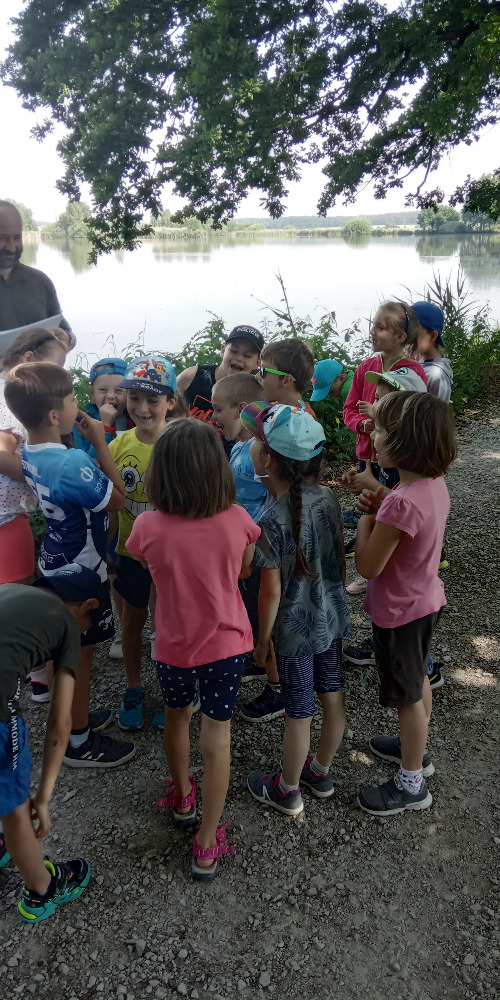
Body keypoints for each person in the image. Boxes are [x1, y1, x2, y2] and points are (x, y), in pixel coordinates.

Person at [126, 418, 260, 880]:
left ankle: (183, 795)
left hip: (173, 649)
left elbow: (144, 560)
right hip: (227, 648)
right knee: (217, 737)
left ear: (160, 473)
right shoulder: (238, 519)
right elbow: (245, 570)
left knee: (177, 716)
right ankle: (206, 842)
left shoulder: (147, 526)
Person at [4, 362, 136, 767]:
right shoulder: (70, 462)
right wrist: (99, 441)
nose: (77, 404)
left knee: (66, 650)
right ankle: (78, 741)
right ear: (53, 415)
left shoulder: (30, 451)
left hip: (56, 558)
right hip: (82, 569)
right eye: (70, 398)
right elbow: (118, 499)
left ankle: (76, 718)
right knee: (78, 657)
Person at [240, 402, 351, 817]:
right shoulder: (330, 499)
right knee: (333, 696)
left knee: (299, 711)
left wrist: (262, 642)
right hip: (331, 618)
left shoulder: (270, 520)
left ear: (269, 461)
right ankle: (320, 772)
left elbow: (269, 594)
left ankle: (287, 789)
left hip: (294, 631)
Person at [354, 391, 456, 816]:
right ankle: (416, 748)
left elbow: (368, 565)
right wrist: (384, 505)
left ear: (404, 443)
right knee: (418, 683)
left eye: (380, 430)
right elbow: (408, 525)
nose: (372, 436)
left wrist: (366, 518)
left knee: (408, 697)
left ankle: (412, 783)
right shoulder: (431, 485)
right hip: (425, 601)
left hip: (398, 614)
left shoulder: (400, 501)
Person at [0, 564, 104, 922]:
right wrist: (43, 798)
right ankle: (42, 890)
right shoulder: (67, 625)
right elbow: (60, 726)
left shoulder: (18, 592)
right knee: (15, 805)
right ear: (88, 606)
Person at [108, 355, 182, 731]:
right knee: (132, 622)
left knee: (171, 624)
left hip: (172, 558)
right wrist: (106, 548)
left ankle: (175, 692)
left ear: (171, 401)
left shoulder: (181, 445)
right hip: (128, 551)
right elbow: (108, 502)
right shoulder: (118, 444)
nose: (142, 408)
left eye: (153, 399)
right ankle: (134, 687)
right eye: (134, 398)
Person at [212, 372, 272, 687]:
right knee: (246, 598)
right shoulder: (238, 447)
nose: (213, 416)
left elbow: (276, 493)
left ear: (240, 409)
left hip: (259, 542)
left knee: (257, 600)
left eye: (218, 409)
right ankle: (253, 651)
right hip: (241, 540)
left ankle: (264, 661)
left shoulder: (256, 452)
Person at [0, 329, 69, 589]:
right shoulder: (13, 402)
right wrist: (46, 470)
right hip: (7, 519)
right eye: (53, 369)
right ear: (28, 359)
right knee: (17, 599)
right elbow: (2, 457)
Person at [0, 201, 75, 348]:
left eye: (17, 237)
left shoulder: (40, 282)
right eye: (3, 238)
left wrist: (67, 338)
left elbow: (67, 333)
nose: (12, 248)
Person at [177, 324, 264, 431]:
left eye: (247, 355)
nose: (239, 358)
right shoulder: (191, 376)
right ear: (223, 351)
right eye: (234, 351)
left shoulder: (255, 397)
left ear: (258, 363)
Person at [73, 358, 131, 458]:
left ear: (129, 393)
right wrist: (106, 427)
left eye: (119, 390)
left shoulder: (137, 421)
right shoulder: (81, 425)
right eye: (103, 390)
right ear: (92, 393)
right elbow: (86, 463)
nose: (110, 396)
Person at [258, 338, 316, 416]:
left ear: (286, 380)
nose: (257, 376)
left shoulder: (304, 420)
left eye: (263, 371)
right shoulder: (271, 407)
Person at [412, 301, 453, 402]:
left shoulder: (437, 377)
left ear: (433, 336)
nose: (407, 337)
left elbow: (438, 411)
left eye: (414, 333)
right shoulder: (416, 357)